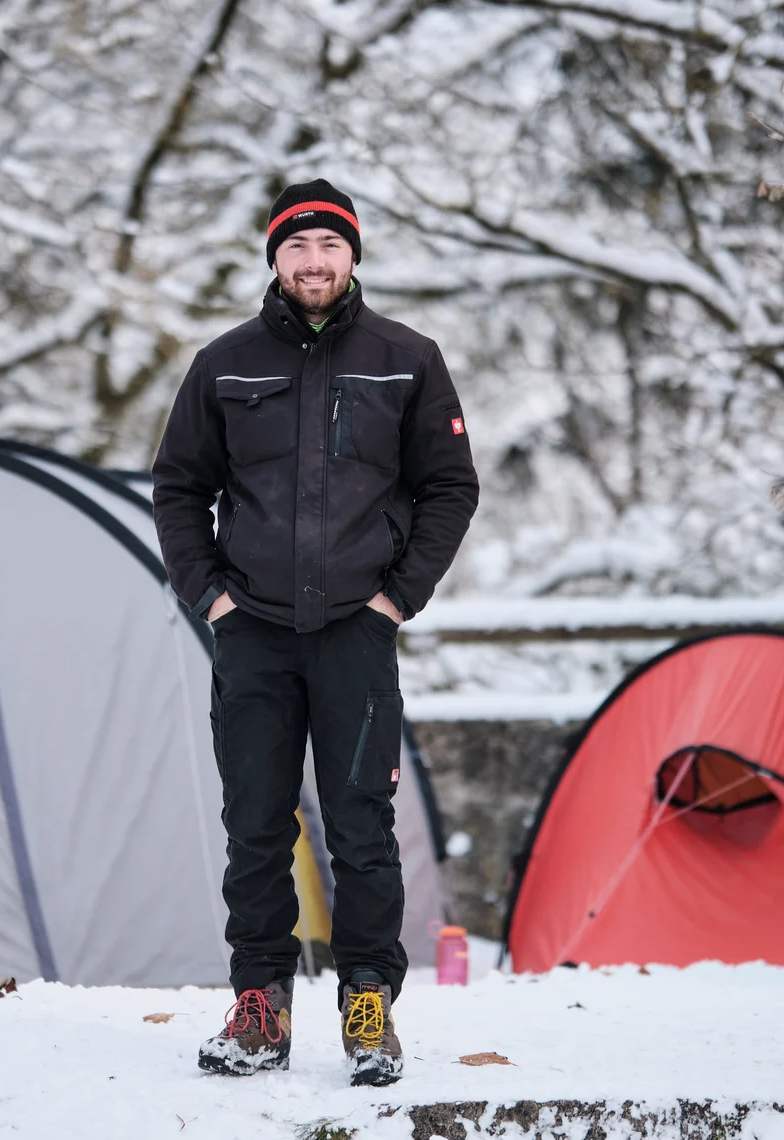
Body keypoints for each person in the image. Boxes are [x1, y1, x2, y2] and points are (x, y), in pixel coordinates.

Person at [152, 179, 479, 1085]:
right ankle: (260, 1004)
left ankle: (368, 1002)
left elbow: (452, 486)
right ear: (273, 259)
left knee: (362, 828)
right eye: (296, 249)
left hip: (355, 633)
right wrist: (209, 597)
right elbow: (178, 487)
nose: (313, 262)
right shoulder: (223, 365)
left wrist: (396, 599)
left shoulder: (407, 359)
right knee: (255, 825)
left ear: (353, 256)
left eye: (329, 247)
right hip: (250, 629)